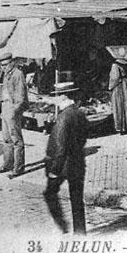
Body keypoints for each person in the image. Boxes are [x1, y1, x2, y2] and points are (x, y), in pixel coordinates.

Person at [43, 82, 89, 235]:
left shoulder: (63, 117)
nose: (55, 100)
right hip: (78, 162)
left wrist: (54, 170)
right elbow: (83, 138)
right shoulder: (80, 113)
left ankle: (62, 227)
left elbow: (61, 148)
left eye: (56, 97)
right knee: (77, 199)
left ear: (63, 97)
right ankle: (80, 232)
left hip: (63, 165)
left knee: (50, 194)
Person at [0, 53, 28, 178]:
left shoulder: (18, 74)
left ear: (11, 63)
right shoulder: (6, 74)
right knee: (6, 139)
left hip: (13, 109)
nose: (3, 67)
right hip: (5, 107)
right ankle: (7, 164)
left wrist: (15, 110)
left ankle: (18, 168)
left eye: (5, 65)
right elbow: (4, 91)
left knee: (16, 140)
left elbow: (21, 95)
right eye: (1, 65)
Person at [109, 55, 127, 135]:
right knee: (125, 105)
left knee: (119, 106)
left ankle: (121, 127)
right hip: (125, 85)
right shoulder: (126, 65)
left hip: (118, 87)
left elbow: (115, 78)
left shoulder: (115, 65)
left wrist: (110, 87)